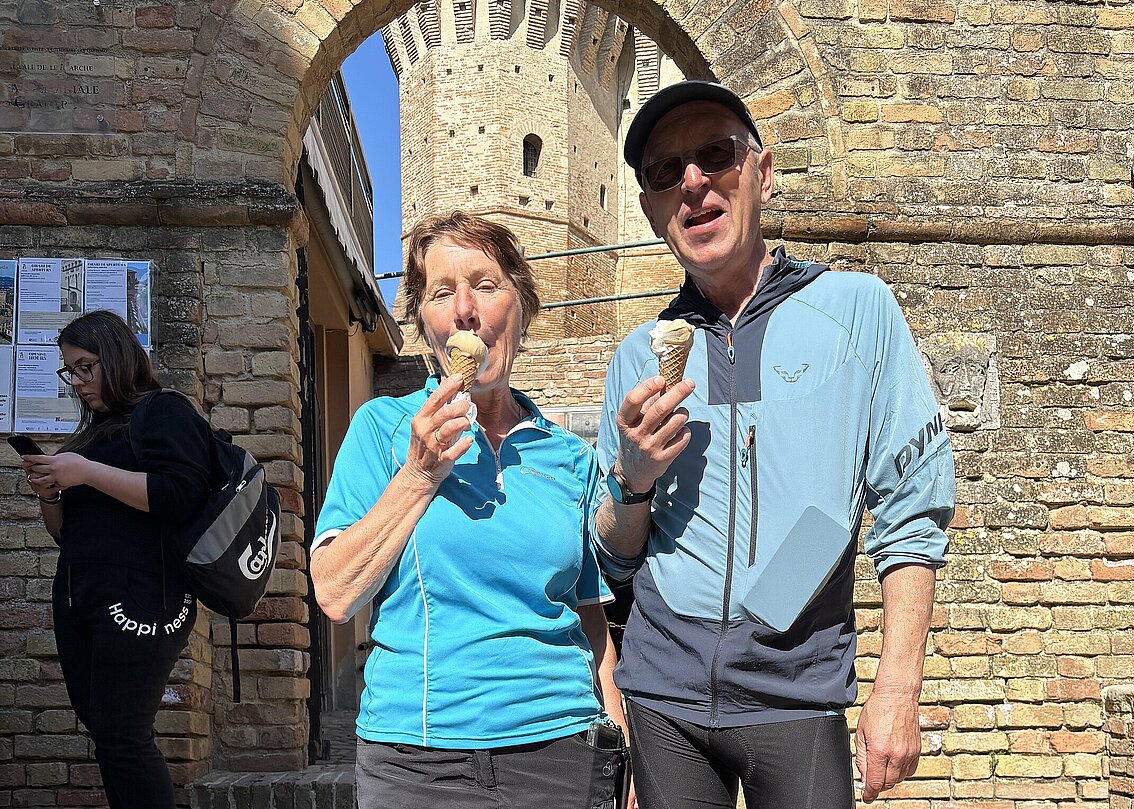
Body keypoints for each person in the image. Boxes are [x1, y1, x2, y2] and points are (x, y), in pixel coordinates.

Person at [593, 81, 955, 809]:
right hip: (664, 695)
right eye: (666, 171)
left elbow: (912, 506)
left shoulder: (856, 310)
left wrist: (898, 686)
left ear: (761, 173)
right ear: (652, 209)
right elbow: (615, 558)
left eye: (715, 155)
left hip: (798, 687)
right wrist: (632, 480)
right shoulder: (638, 355)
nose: (692, 181)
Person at [310, 212, 633, 809]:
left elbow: (590, 619)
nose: (464, 310)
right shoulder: (383, 429)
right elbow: (334, 592)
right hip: (417, 760)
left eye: (485, 285)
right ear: (424, 323)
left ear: (522, 309)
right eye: (441, 293)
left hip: (563, 750)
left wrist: (620, 741)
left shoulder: (570, 457)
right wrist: (418, 476)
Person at [22, 310, 212, 808]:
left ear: (117, 356)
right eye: (70, 371)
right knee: (107, 732)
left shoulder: (164, 410)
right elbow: (66, 534)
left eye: (86, 367)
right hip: (81, 595)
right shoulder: (95, 432)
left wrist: (85, 471)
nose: (77, 382)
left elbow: (179, 495)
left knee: (123, 734)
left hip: (143, 596)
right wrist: (50, 493)